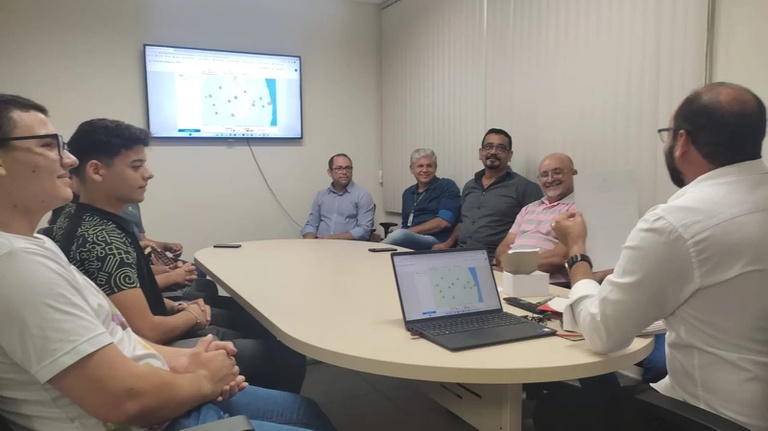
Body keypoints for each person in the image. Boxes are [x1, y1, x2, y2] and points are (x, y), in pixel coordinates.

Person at [0, 94, 334, 430]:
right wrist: (204, 376)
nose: (68, 159)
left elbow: (119, 332)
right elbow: (128, 397)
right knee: (279, 363)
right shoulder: (21, 266)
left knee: (306, 412)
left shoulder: (41, 243)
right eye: (47, 145)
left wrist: (189, 361)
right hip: (156, 413)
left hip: (161, 378)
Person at [537, 82, 768, 430]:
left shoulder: (676, 223)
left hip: (709, 416)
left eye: (668, 134)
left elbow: (603, 333)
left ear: (682, 141)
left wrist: (576, 252)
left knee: (559, 402)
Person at [53, 118, 307, 394]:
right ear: (96, 171)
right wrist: (192, 315)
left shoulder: (74, 217)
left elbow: (121, 300)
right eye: (136, 166)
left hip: (139, 334)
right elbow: (148, 331)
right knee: (285, 355)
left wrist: (178, 308)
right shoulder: (103, 239)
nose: (148, 174)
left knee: (251, 321)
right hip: (151, 351)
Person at [433, 128, 542, 257]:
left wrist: (506, 259)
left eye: (501, 148)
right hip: (460, 253)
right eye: (488, 147)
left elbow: (533, 232)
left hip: (493, 258)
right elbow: (463, 222)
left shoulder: (525, 188)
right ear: (481, 153)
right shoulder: (470, 186)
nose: (493, 152)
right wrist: (447, 244)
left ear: (510, 155)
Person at [494, 153, 576, 282]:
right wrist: (506, 264)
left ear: (574, 174)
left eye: (557, 172)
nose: (550, 179)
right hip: (511, 277)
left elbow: (561, 256)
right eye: (544, 175)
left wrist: (514, 266)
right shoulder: (528, 209)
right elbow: (504, 246)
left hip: (547, 283)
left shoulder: (578, 208)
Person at [381, 148, 461, 250]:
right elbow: (406, 225)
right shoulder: (408, 193)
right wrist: (399, 232)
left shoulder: (447, 186)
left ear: (435, 168)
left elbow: (443, 222)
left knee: (399, 235)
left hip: (436, 240)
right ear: (412, 169)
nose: (425, 170)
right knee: (396, 235)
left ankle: (371, 250)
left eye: (429, 166)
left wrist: (405, 233)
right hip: (412, 238)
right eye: (420, 166)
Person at [301, 153, 375, 240]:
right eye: (339, 169)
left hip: (349, 245)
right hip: (320, 244)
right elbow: (311, 225)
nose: (344, 172)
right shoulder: (321, 195)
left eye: (348, 168)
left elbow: (364, 230)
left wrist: (331, 239)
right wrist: (310, 241)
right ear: (330, 172)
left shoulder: (363, 195)